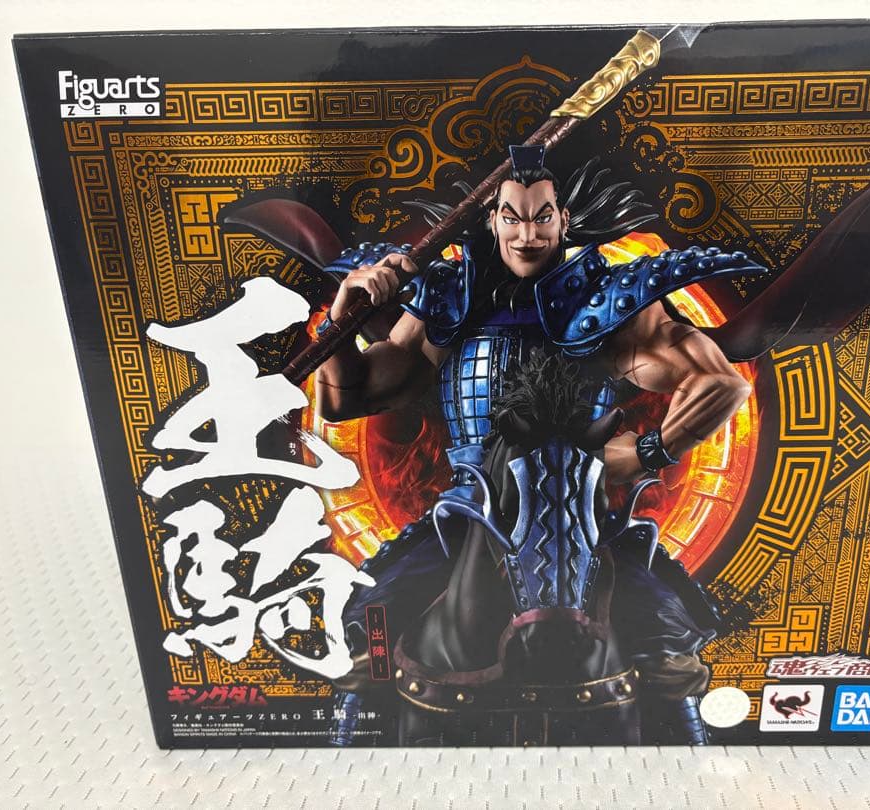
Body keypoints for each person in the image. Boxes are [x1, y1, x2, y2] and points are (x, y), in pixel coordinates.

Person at [312, 145, 766, 745]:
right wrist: (341, 317)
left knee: (668, 641)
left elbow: (722, 383)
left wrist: (648, 452)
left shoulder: (610, 300)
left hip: (581, 513)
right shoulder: (449, 300)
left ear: (563, 219)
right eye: (513, 218)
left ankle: (691, 756)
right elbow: (344, 400)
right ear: (492, 220)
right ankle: (353, 751)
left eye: (542, 217)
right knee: (367, 629)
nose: (528, 235)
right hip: (472, 509)